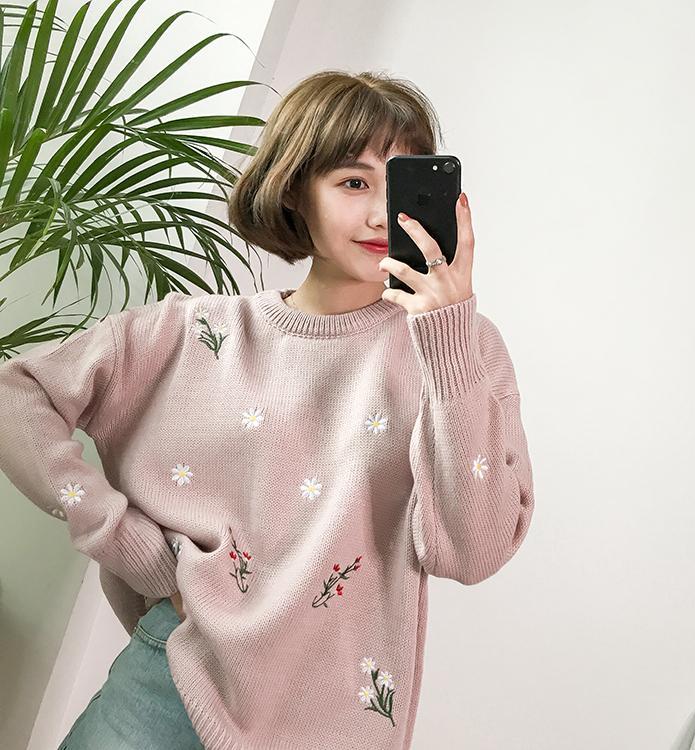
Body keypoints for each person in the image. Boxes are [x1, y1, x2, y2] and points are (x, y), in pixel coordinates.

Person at [0, 69, 534, 750]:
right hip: (168, 686)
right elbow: (16, 396)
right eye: (353, 182)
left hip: (334, 717)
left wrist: (446, 335)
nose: (382, 214)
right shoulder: (193, 331)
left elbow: (473, 550)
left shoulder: (462, 347)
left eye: (401, 185)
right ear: (294, 189)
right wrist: (124, 540)